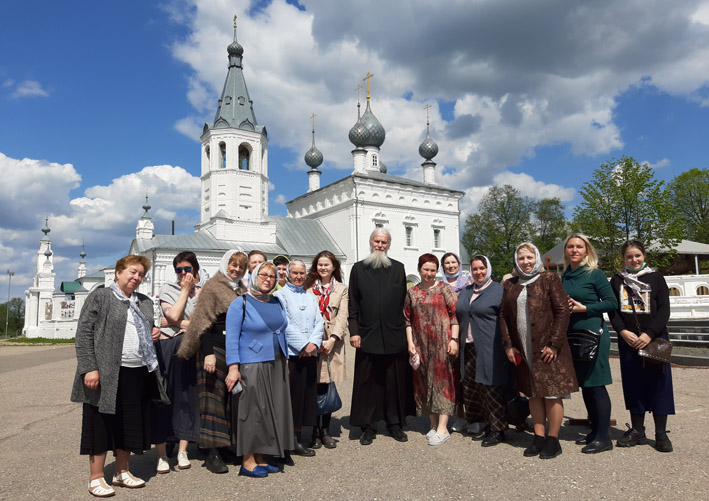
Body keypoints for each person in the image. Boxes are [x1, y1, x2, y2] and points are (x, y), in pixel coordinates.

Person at [71, 255, 158, 497]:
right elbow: (84, 333)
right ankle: (96, 477)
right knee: (100, 423)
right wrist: (89, 367)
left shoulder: (144, 302)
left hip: (137, 371)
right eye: (132, 272)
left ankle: (122, 472)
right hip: (106, 372)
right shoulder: (101, 296)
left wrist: (153, 334)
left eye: (140, 274)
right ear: (118, 273)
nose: (136, 277)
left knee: (128, 422)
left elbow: (144, 329)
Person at [500, 243, 577, 459]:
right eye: (521, 258)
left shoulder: (550, 280)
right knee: (533, 392)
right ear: (516, 260)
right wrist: (509, 345)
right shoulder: (510, 284)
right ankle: (539, 436)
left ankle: (553, 439)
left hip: (548, 348)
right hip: (523, 347)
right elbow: (503, 317)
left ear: (537, 258)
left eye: (530, 257)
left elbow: (562, 312)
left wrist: (554, 343)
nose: (526, 261)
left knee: (552, 393)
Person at [177, 250, 247, 474]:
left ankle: (224, 445)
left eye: (240, 267)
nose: (236, 269)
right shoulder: (213, 286)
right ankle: (212, 453)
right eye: (233, 265)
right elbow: (203, 321)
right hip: (213, 347)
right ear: (225, 264)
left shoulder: (240, 289)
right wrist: (207, 352)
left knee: (228, 397)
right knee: (212, 399)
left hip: (232, 349)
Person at [225, 262, 294, 478]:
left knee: (270, 411)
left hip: (276, 363)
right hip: (251, 364)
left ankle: (262, 457)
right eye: (263, 275)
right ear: (254, 276)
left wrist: (286, 358)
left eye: (272, 276)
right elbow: (232, 338)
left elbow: (281, 331)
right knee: (252, 412)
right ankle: (247, 461)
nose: (267, 279)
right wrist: (233, 368)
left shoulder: (277, 301)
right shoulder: (241, 302)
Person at [348, 228, 415, 445]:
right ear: (370, 242)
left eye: (384, 242)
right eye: (376, 241)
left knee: (394, 382)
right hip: (367, 335)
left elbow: (403, 303)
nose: (380, 245)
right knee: (369, 384)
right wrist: (354, 331)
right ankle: (369, 426)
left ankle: (394, 423)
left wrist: (407, 333)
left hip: (394, 335)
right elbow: (353, 303)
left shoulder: (398, 268)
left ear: (388, 244)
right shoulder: (359, 269)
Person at [608, 240, 675, 452]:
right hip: (629, 341)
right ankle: (637, 429)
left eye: (637, 255)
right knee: (633, 385)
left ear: (644, 255)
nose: (634, 260)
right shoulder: (617, 280)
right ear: (623, 259)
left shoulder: (656, 278)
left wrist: (649, 333)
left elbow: (664, 310)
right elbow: (613, 310)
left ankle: (661, 433)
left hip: (655, 339)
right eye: (629, 257)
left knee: (659, 385)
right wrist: (622, 331)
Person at [561, 233, 618, 454]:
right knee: (586, 384)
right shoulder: (566, 275)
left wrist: (585, 308)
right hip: (573, 336)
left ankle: (604, 437)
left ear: (587, 251)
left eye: (579, 247)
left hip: (593, 335)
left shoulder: (595, 274)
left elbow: (612, 303)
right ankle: (595, 430)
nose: (574, 250)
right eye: (570, 247)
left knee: (596, 384)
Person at [152, 251, 202, 473]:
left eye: (187, 269)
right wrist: (183, 291)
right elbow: (172, 315)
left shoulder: (202, 293)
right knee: (164, 397)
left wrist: (178, 322)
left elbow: (203, 323)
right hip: (168, 347)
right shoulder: (169, 289)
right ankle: (162, 454)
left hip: (190, 348)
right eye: (179, 270)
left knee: (186, 397)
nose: (183, 273)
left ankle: (183, 449)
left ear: (195, 270)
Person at [456, 255, 513, 447]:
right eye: (475, 269)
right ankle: (487, 425)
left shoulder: (498, 291)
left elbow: (508, 318)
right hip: (468, 347)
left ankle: (499, 429)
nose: (478, 272)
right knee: (474, 386)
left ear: (488, 269)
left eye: (482, 268)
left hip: (490, 346)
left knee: (491, 385)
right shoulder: (465, 291)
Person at [404, 254, 460, 446]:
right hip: (421, 344)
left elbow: (454, 315)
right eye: (426, 269)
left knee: (442, 382)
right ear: (419, 269)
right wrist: (410, 343)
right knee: (425, 383)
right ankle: (433, 424)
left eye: (433, 270)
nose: (429, 273)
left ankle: (443, 428)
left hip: (442, 343)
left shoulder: (444, 289)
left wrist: (454, 339)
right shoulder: (413, 292)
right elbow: (407, 320)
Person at [274, 259, 324, 456]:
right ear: (287, 273)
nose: (298, 276)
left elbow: (319, 321)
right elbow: (283, 323)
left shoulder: (310, 296)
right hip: (293, 355)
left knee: (306, 397)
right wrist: (303, 344)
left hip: (310, 355)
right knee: (292, 398)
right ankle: (290, 439)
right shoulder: (280, 296)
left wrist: (313, 344)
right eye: (294, 273)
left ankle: (300, 435)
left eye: (301, 273)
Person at [304, 250, 349, 449]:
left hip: (332, 343)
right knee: (313, 385)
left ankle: (326, 429)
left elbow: (342, 316)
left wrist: (332, 339)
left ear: (333, 267)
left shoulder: (341, 289)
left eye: (327, 264)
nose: (323, 268)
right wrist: (312, 341)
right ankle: (313, 429)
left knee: (328, 385)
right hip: (311, 343)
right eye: (320, 264)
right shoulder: (307, 288)